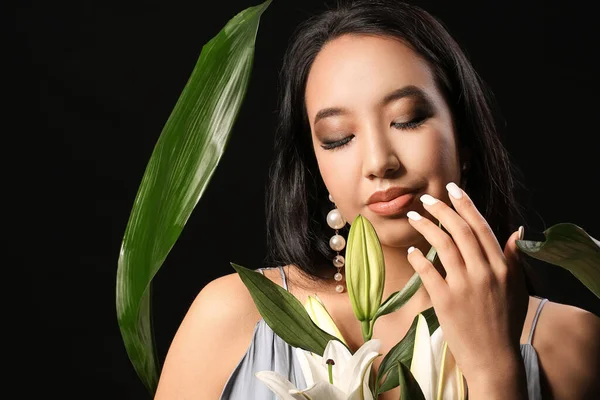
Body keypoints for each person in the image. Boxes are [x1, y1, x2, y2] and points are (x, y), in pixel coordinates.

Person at [154, 1, 600, 399]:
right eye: (338, 138)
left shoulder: (570, 342)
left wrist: (494, 371)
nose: (378, 161)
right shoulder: (231, 316)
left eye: (407, 120)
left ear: (463, 139)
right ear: (317, 168)